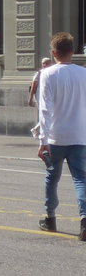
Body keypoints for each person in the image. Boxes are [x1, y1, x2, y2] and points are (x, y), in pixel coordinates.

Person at [35, 32, 86, 239]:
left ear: (54, 53)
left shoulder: (47, 74)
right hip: (79, 135)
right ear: (72, 52)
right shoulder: (83, 73)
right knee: (81, 179)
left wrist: (42, 141)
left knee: (52, 177)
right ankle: (84, 220)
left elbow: (44, 109)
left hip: (56, 136)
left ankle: (50, 217)